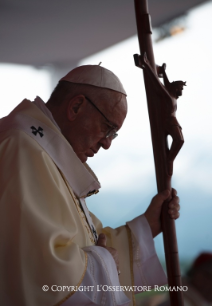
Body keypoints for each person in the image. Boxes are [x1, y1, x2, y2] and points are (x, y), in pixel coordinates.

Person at [0, 65, 180, 306]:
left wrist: (148, 225)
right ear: (76, 107)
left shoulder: (46, 157)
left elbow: (89, 240)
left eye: (113, 134)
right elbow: (35, 268)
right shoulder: (22, 149)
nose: (107, 144)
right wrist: (102, 261)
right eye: (108, 128)